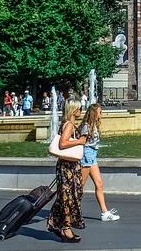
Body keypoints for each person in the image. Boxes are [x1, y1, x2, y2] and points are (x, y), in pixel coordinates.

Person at [47, 101, 86, 242]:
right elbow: (62, 144)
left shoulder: (68, 124)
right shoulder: (69, 125)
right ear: (73, 109)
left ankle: (57, 223)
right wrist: (80, 141)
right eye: (79, 108)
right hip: (67, 167)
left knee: (67, 196)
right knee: (68, 197)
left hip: (68, 166)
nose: (81, 110)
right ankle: (66, 229)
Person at [79, 103, 120, 222]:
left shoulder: (93, 125)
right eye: (100, 112)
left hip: (92, 155)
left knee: (99, 184)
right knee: (80, 186)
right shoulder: (86, 126)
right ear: (94, 113)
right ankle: (70, 210)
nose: (102, 114)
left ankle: (104, 212)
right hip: (87, 155)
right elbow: (82, 142)